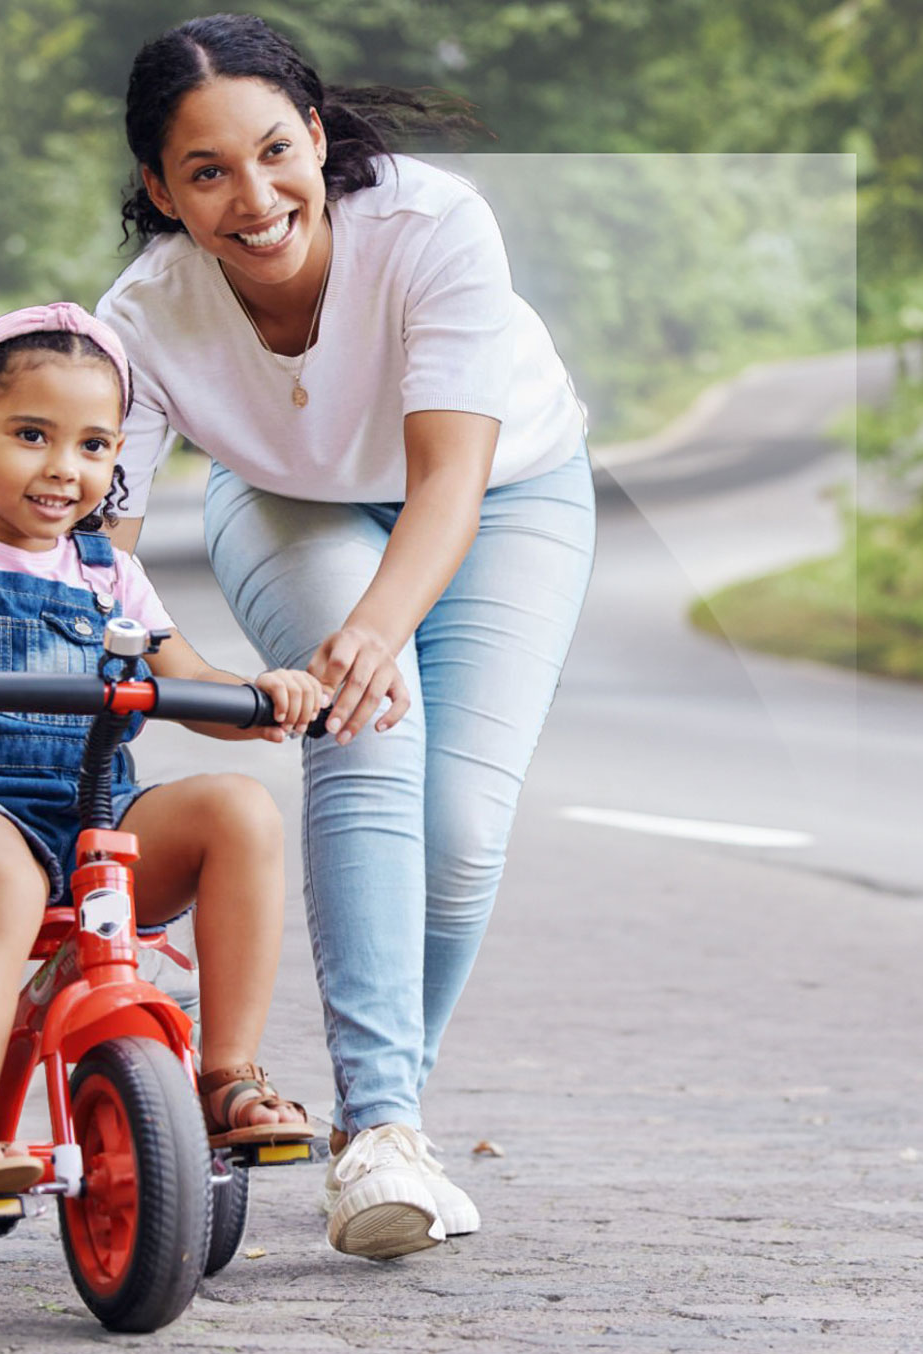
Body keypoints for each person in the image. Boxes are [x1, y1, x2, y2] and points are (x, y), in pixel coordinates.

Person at [91, 14, 599, 1261]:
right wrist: (177, 669)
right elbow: (98, 543)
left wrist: (380, 625)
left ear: (316, 136)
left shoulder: (430, 228)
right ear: (160, 189)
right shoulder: (142, 315)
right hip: (287, 501)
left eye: (275, 152)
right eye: (206, 173)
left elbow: (448, 482)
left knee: (461, 832)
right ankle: (379, 1133)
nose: (254, 199)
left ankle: (393, 1130)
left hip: (502, 491)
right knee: (370, 736)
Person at [0, 303, 327, 1227]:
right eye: (31, 435)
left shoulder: (107, 575)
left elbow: (186, 677)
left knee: (241, 809)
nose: (64, 467)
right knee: (0, 872)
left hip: (94, 817)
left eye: (94, 445)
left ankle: (226, 1076)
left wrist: (261, 699)